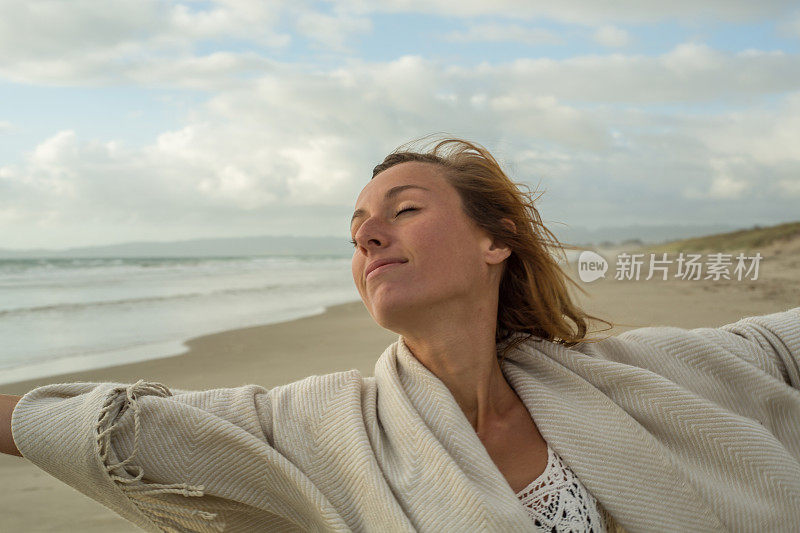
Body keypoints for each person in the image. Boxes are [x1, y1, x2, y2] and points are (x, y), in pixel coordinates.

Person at [1, 137, 799, 533]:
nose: (370, 236)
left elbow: (777, 345)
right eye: (357, 230)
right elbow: (130, 431)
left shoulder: (641, 373)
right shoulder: (320, 425)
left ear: (498, 240)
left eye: (404, 208)